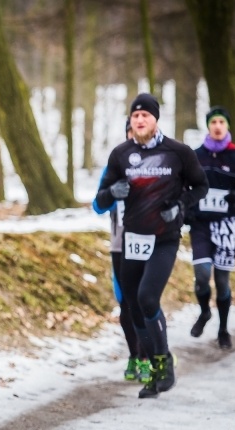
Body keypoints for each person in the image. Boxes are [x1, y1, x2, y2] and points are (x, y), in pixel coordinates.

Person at [95, 93, 208, 399]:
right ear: (130, 122)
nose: (140, 119)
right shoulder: (121, 154)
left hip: (164, 239)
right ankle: (154, 370)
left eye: (146, 115)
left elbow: (201, 186)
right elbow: (101, 198)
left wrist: (181, 207)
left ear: (156, 119)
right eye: (135, 115)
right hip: (133, 240)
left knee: (147, 298)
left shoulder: (178, 152)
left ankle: (165, 363)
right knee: (132, 307)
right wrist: (112, 192)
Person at [187, 106, 235, 349]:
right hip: (201, 225)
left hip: (225, 225)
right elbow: (186, 186)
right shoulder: (196, 156)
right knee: (202, 275)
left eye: (221, 122)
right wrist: (189, 208)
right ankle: (205, 311)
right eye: (213, 122)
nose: (217, 126)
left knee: (223, 282)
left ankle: (223, 329)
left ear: (227, 126)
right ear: (208, 126)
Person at [93, 119, 144, 381]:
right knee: (126, 303)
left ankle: (151, 355)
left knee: (145, 300)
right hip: (120, 243)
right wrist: (112, 192)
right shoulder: (115, 164)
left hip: (149, 241)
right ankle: (135, 355)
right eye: (130, 131)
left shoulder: (160, 165)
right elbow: (97, 205)